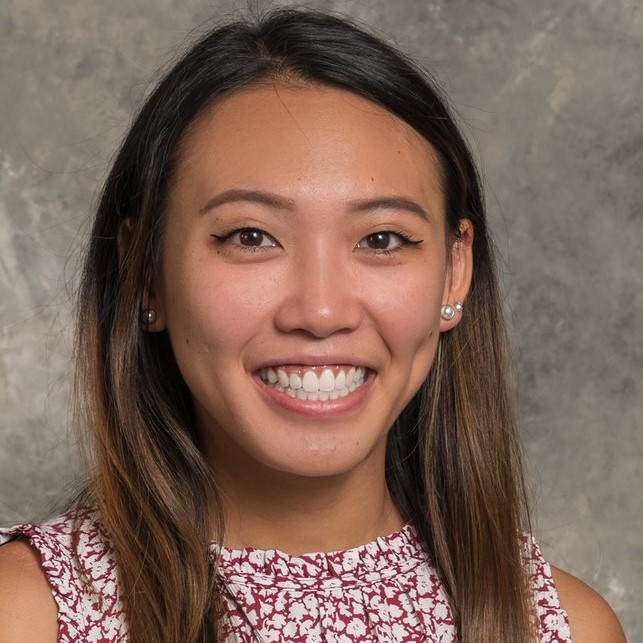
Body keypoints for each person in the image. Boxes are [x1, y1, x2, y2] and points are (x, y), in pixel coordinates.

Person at [0, 8, 626, 643]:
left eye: (382, 239)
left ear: (454, 272)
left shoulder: (563, 626)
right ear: (148, 273)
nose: (321, 312)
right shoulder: (26, 615)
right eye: (251, 237)